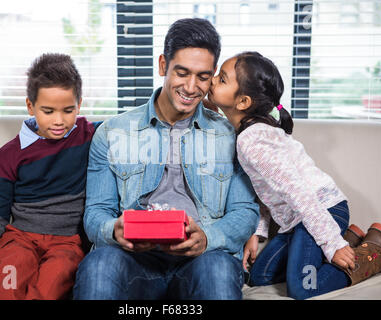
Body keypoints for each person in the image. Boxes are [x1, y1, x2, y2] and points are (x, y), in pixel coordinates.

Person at [73, 18, 259, 300]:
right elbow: (96, 213)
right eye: (181, 73)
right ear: (163, 65)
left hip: (204, 259)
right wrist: (115, 230)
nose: (191, 87)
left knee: (219, 272)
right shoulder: (112, 132)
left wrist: (207, 238)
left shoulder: (232, 137)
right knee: (99, 266)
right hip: (133, 260)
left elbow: (244, 212)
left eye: (203, 76)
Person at [206, 51, 381, 299]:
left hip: (322, 208)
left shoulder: (252, 140)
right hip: (300, 220)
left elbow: (297, 193)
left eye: (221, 79)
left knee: (304, 287)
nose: (212, 80)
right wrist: (257, 233)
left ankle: (374, 249)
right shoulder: (250, 132)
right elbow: (265, 190)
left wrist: (333, 244)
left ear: (243, 102)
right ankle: (352, 237)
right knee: (260, 275)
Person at [0, 53, 99, 300]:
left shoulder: (89, 135)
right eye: (48, 111)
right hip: (19, 239)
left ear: (79, 105)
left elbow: (130, 124)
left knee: (50, 288)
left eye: (67, 110)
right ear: (30, 106)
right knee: (6, 287)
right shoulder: (7, 155)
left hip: (67, 243)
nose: (58, 120)